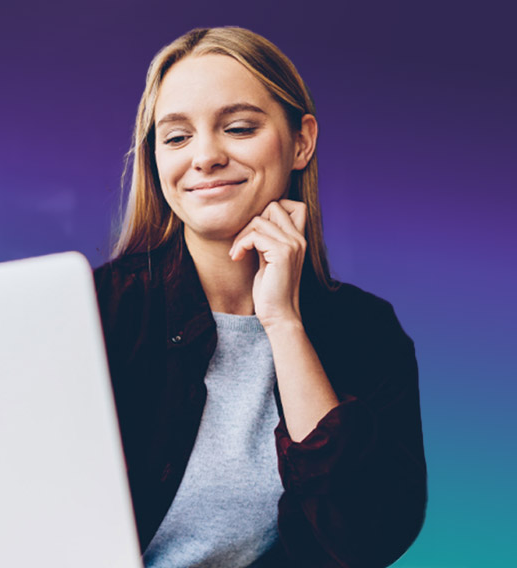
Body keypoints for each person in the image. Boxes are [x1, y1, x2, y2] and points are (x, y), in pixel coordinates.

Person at [92, 27, 427, 568]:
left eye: (239, 127)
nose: (204, 157)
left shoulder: (365, 330)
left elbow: (366, 539)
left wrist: (283, 322)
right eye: (176, 137)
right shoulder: (98, 312)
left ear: (301, 141)